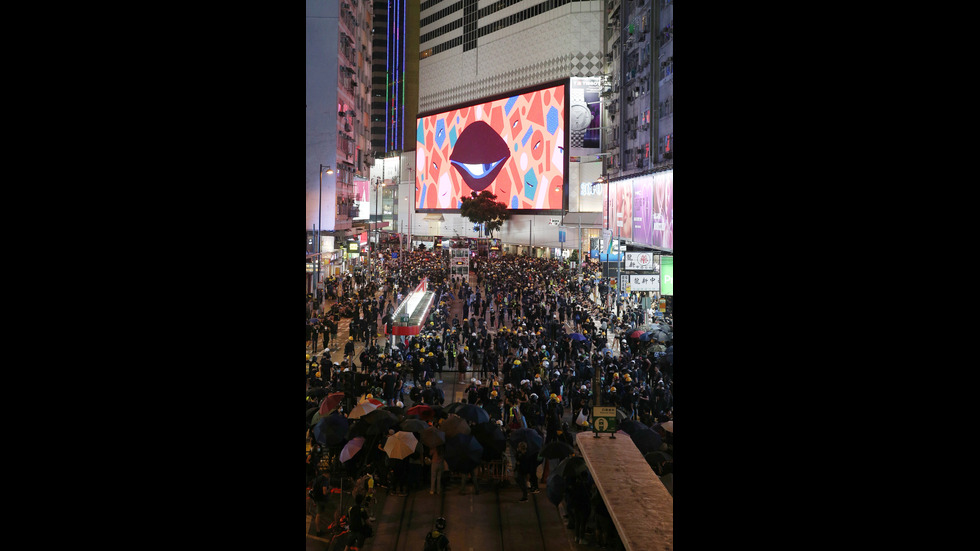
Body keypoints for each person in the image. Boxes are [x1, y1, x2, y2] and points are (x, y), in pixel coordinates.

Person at [310, 468, 332, 537]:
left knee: (318, 514)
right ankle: (318, 531)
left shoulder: (317, 478)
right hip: (321, 499)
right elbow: (324, 492)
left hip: (316, 498)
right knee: (318, 515)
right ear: (327, 474)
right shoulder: (325, 480)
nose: (329, 476)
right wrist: (330, 489)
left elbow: (312, 489)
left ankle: (318, 530)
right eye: (329, 475)